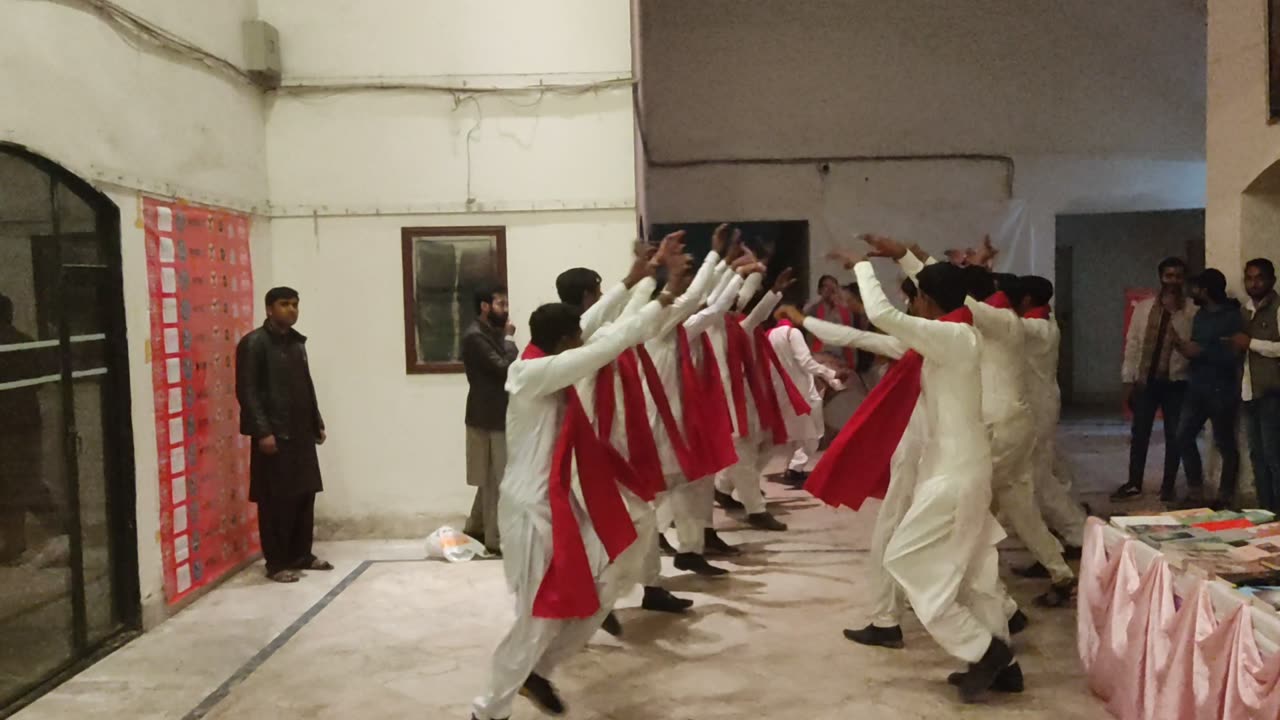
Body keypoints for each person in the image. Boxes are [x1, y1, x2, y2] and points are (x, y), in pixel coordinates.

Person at [816, 245, 1017, 702]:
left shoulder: (951, 338)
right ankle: (1006, 667)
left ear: (927, 301)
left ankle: (984, 650)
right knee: (977, 573)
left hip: (955, 474)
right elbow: (883, 331)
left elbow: (881, 314)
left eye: (917, 297)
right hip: (964, 468)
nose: (912, 305)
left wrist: (862, 266)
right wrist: (903, 256)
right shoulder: (957, 331)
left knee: (904, 559)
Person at [470, 289, 675, 720]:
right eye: (575, 337)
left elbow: (602, 327)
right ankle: (488, 710)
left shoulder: (548, 360)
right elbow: (607, 343)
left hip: (558, 503)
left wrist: (637, 282)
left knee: (609, 577)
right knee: (539, 615)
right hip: (529, 511)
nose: (582, 342)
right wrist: (662, 294)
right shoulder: (530, 373)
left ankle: (537, 671)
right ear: (564, 342)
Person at [235, 287, 331, 584]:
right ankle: (276, 563)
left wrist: (316, 422)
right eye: (284, 304)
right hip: (274, 435)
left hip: (301, 432)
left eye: (295, 305)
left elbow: (306, 386)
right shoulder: (254, 344)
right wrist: (262, 431)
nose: (291, 310)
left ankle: (301, 554)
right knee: (275, 500)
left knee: (304, 494)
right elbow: (247, 392)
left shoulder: (296, 343)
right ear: (269, 309)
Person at [1009, 276, 1089, 563]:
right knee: (1043, 475)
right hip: (1037, 405)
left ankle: (1075, 533)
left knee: (1039, 480)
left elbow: (988, 316)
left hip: (1037, 408)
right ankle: (1065, 535)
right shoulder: (1041, 321)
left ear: (1027, 300)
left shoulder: (1036, 327)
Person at [711, 267, 791, 531]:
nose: (737, 305)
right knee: (742, 456)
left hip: (745, 400)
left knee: (766, 442)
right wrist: (733, 266)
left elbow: (754, 315)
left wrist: (773, 291)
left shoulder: (735, 326)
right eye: (731, 301)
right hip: (724, 405)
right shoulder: (707, 327)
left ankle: (722, 487)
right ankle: (755, 509)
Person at [1113, 257, 1196, 502]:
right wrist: (1128, 379)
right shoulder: (1144, 307)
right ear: (1161, 277)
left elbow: (1186, 340)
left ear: (1184, 279)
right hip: (1146, 381)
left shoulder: (1191, 310)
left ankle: (1168, 486)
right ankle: (1134, 483)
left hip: (1177, 382)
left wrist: (1174, 313)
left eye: (1178, 276)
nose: (1173, 281)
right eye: (1169, 275)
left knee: (1174, 434)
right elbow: (1134, 344)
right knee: (1140, 433)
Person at [0, 293, 65, 565]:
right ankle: (20, 544)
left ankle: (55, 535)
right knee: (20, 482)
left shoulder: (12, 345)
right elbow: (41, 381)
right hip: (26, 422)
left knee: (17, 485)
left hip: (8, 426)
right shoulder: (24, 342)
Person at [1171, 269, 1243, 507]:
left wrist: (1204, 351)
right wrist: (1186, 349)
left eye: (1197, 288)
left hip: (1222, 388)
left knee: (1225, 442)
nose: (1192, 293)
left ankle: (1226, 495)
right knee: (1183, 436)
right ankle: (1195, 490)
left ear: (1207, 290)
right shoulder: (1200, 315)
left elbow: (1234, 352)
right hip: (1197, 385)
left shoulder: (1232, 317)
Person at [461, 284, 518, 556]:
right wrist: (509, 340)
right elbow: (504, 368)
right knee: (495, 478)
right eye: (500, 304)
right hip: (488, 417)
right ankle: (494, 539)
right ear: (484, 306)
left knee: (492, 475)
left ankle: (475, 527)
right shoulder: (475, 337)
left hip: (494, 414)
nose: (505, 310)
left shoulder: (487, 333)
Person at [769, 303, 845, 487]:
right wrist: (830, 374)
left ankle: (793, 466)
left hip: (781, 389)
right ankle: (795, 468)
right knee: (814, 432)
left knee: (796, 432)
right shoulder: (793, 334)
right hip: (802, 389)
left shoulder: (770, 334)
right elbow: (806, 362)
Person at [1233, 259, 1280, 512]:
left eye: (1259, 278)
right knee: (1257, 456)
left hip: (1272, 392)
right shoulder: (1245, 310)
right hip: (1249, 391)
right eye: (1249, 278)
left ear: (1272, 280)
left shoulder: (1278, 308)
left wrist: (1251, 343)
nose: (1254, 283)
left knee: (1274, 457)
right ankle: (1265, 512)